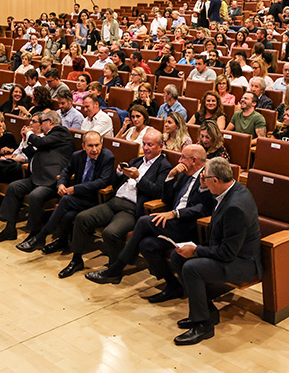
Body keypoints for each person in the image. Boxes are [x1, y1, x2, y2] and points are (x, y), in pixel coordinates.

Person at [85, 143, 214, 289]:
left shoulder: (208, 176)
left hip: (190, 227)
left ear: (194, 160)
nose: (179, 161)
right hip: (174, 223)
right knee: (147, 244)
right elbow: (167, 200)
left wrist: (175, 213)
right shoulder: (184, 175)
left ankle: (115, 269)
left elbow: (203, 209)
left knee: (144, 222)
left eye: (183, 157)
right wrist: (170, 177)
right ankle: (173, 287)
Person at [170, 157, 262, 345]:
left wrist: (196, 251)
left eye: (203, 178)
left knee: (191, 268)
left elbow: (227, 253)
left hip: (242, 263)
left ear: (215, 180)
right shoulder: (228, 191)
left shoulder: (235, 206)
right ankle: (207, 311)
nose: (201, 181)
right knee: (177, 257)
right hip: (228, 253)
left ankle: (203, 326)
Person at [60, 130, 172, 279]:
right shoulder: (137, 161)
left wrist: (138, 178)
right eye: (144, 144)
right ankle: (76, 260)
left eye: (150, 145)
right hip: (114, 202)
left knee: (110, 233)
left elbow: (158, 192)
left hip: (131, 209)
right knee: (82, 218)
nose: (145, 148)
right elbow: (112, 183)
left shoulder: (163, 166)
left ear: (160, 146)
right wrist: (119, 172)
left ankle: (114, 270)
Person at [16, 130, 115, 252]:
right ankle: (61, 242)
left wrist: (75, 189)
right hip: (78, 198)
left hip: (95, 199)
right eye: (90, 146)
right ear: (83, 146)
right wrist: (61, 184)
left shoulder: (107, 157)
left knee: (66, 200)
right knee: (67, 215)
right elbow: (66, 172)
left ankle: (40, 237)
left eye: (97, 145)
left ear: (101, 144)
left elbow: (101, 182)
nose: (94, 149)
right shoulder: (77, 156)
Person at [0, 110, 74, 245]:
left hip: (51, 181)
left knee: (35, 196)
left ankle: (36, 235)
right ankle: (9, 228)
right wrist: (25, 140)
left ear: (50, 122)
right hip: (37, 177)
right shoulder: (49, 138)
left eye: (42, 122)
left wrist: (29, 134)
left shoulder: (61, 132)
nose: (41, 125)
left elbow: (39, 143)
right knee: (14, 187)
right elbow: (31, 153)